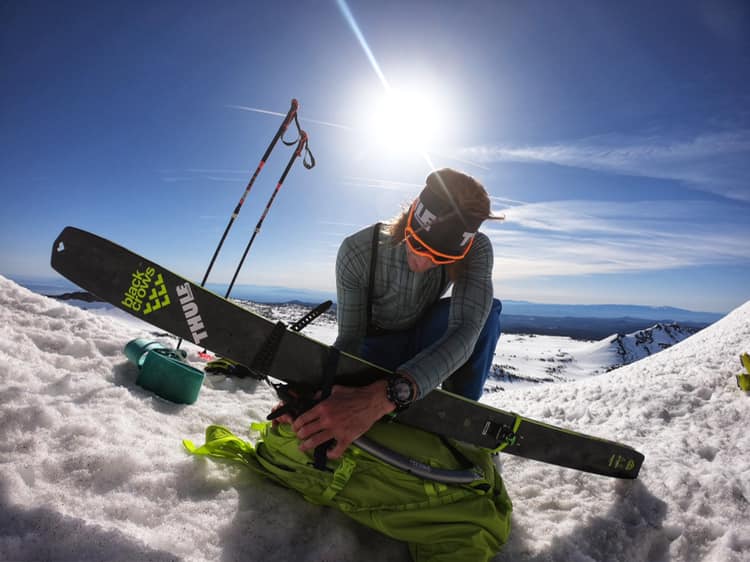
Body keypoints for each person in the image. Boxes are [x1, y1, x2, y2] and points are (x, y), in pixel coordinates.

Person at [282, 168, 504, 460]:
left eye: (442, 258)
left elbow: (467, 327)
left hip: (422, 335)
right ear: (412, 217)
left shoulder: (475, 250)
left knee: (488, 314)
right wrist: (315, 392)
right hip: (376, 348)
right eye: (418, 244)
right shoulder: (358, 252)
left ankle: (456, 419)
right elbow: (350, 340)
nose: (424, 262)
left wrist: (386, 396)